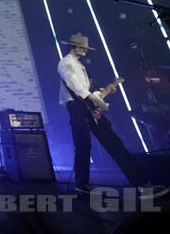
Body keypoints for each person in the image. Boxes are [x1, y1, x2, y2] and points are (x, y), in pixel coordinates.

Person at [58, 33, 167, 198]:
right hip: (78, 108)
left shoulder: (80, 65)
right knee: (83, 147)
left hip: (88, 107)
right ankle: (82, 185)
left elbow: (88, 89)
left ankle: (141, 184)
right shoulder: (65, 63)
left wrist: (104, 92)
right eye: (83, 47)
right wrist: (99, 102)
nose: (86, 50)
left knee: (113, 143)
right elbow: (78, 89)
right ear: (75, 47)